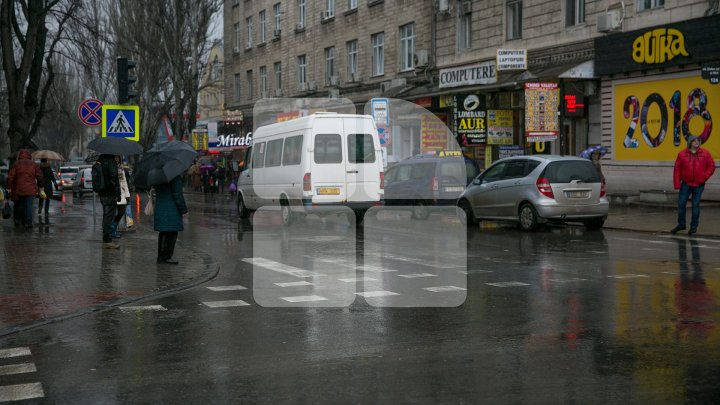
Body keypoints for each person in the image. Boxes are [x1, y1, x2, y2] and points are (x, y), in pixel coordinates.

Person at [671, 135, 716, 235]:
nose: (697, 142)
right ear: (690, 142)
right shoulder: (682, 154)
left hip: (699, 185)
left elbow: (712, 166)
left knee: (695, 205)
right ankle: (681, 224)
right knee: (681, 204)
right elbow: (677, 170)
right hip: (686, 184)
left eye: (698, 140)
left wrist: (705, 177)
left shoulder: (705, 153)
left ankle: (693, 227)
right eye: (694, 141)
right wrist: (677, 184)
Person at [154, 174, 188, 264]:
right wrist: (184, 210)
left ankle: (161, 256)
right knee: (172, 232)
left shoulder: (157, 175)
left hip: (160, 206)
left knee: (163, 232)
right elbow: (178, 194)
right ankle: (166, 257)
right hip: (171, 208)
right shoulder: (174, 175)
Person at [7, 149, 43, 228]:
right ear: (29, 155)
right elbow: (40, 176)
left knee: (21, 205)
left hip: (19, 188)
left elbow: (10, 177)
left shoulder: (17, 164)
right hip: (31, 189)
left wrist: (9, 187)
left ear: (20, 155)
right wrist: (41, 187)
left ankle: (22, 221)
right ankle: (29, 222)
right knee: (29, 205)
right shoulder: (33, 164)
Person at [97, 154, 121, 248]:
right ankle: (107, 241)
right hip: (109, 194)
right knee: (109, 217)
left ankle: (106, 238)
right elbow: (114, 179)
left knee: (106, 215)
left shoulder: (100, 161)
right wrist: (118, 194)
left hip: (102, 193)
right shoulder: (110, 163)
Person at [111, 156, 131, 238]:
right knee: (111, 213)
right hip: (113, 194)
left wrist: (127, 195)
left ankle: (113, 229)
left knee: (121, 212)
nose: (116, 159)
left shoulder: (121, 169)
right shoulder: (111, 167)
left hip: (122, 194)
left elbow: (124, 182)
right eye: (115, 158)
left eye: (118, 158)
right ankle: (111, 232)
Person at [38, 158, 57, 223]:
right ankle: (46, 211)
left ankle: (40, 208)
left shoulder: (39, 169)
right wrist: (55, 184)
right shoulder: (49, 169)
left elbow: (37, 177)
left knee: (41, 198)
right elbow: (53, 178)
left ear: (41, 161)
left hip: (41, 185)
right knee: (47, 199)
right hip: (48, 186)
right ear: (46, 161)